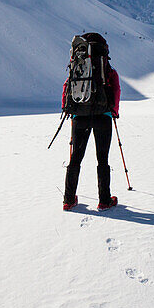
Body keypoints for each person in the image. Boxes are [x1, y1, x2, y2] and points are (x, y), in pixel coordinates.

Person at [61, 36, 122, 211]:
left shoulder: (78, 68)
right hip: (103, 116)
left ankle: (69, 199)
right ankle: (104, 200)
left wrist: (69, 111)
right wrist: (114, 111)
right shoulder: (108, 70)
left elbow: (67, 87)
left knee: (76, 158)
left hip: (79, 116)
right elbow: (116, 90)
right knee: (102, 158)